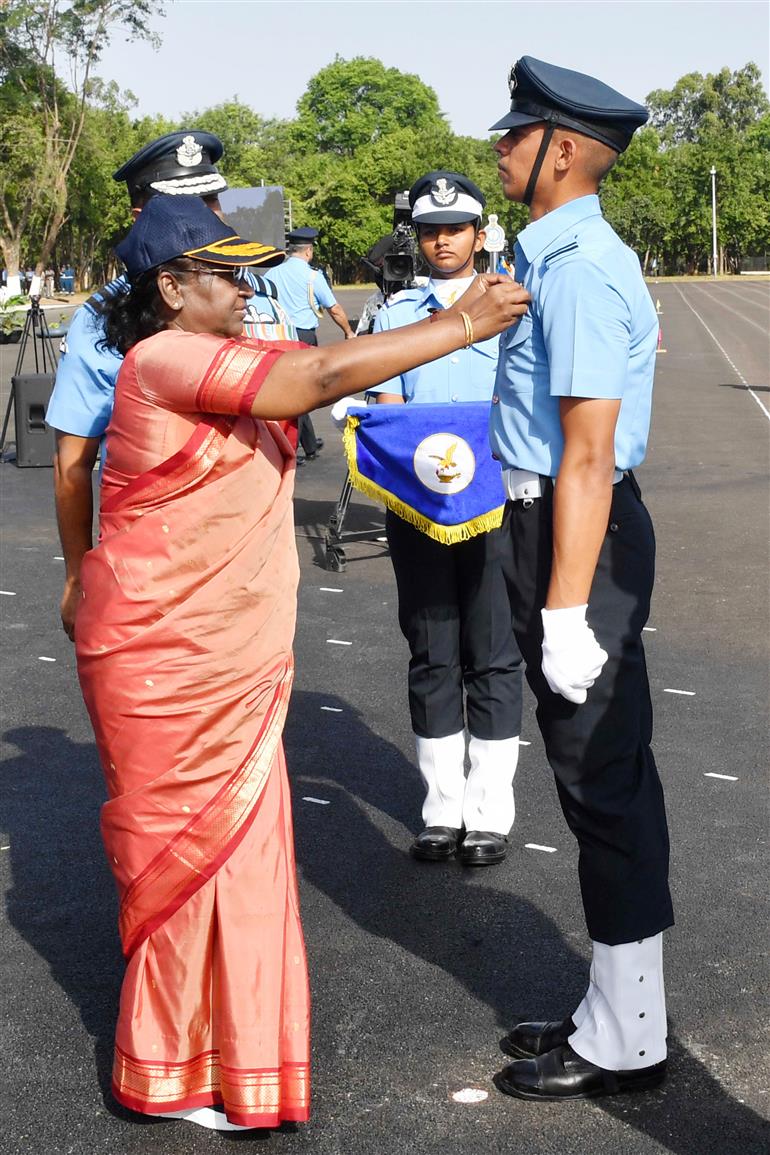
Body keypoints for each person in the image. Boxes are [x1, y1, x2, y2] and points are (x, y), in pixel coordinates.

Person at [75, 194, 530, 1131]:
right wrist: (459, 322)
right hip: (172, 656)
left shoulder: (210, 355)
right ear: (171, 288)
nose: (248, 292)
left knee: (234, 858)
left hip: (214, 654)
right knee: (199, 862)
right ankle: (175, 1067)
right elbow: (320, 374)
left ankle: (216, 1064)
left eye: (250, 275)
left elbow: (320, 368)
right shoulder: (166, 358)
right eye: (227, 278)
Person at [486, 56, 673, 1101]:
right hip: (554, 523)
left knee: (599, 776)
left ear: (560, 149)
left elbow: (589, 452)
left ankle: (630, 1035)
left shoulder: (578, 264)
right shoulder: (549, 253)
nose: (500, 150)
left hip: (575, 535)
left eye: (513, 135)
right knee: (589, 775)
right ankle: (613, 1005)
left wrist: (563, 608)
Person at [46, 131, 288, 641]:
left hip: (251, 561)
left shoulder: (255, 299)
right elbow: (73, 463)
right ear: (142, 220)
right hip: (157, 568)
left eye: (211, 201)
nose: (210, 215)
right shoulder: (104, 321)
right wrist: (75, 575)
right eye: (190, 205)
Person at [367, 172, 523, 867]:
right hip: (421, 506)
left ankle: (489, 812)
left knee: (491, 654)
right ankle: (441, 810)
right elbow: (386, 404)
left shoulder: (514, 306)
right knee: (432, 650)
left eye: (455, 228)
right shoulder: (397, 317)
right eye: (431, 230)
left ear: (479, 234)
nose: (442, 240)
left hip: (494, 503)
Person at [268, 226, 356, 460]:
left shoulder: (271, 274)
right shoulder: (312, 276)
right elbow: (334, 308)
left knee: (286, 388)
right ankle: (294, 444)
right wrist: (348, 332)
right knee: (303, 390)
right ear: (308, 251)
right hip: (303, 337)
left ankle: (306, 443)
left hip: (278, 335)